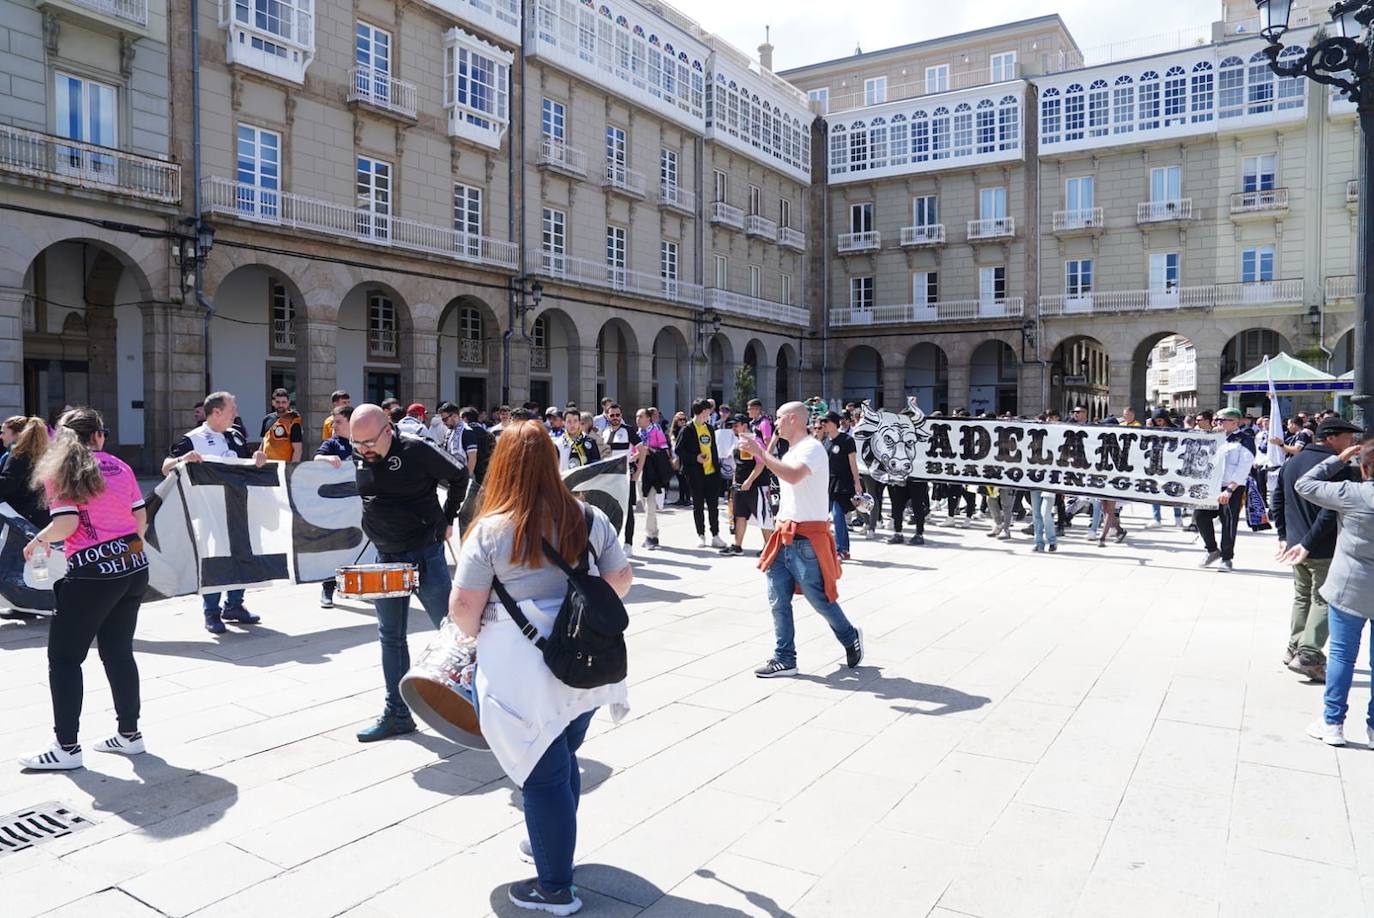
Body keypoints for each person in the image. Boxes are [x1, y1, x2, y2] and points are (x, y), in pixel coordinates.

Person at [449, 420, 633, 914]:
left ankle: (555, 888)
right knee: (560, 757)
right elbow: (620, 578)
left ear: (501, 466)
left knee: (543, 773)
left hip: (522, 671)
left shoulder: (489, 530)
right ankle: (550, 842)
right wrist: (572, 610)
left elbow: (464, 612)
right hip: (586, 660)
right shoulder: (589, 516)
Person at [17, 408, 149, 770]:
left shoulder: (62, 470)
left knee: (64, 658)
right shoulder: (120, 467)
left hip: (92, 573)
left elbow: (66, 522)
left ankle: (66, 747)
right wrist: (120, 546)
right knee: (118, 651)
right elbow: (140, 518)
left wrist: (39, 540)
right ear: (99, 436)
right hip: (134, 566)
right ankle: (129, 735)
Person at [347, 404, 469, 742]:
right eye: (357, 444)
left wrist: (447, 518)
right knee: (391, 637)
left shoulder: (417, 450)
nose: (363, 450)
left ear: (388, 429)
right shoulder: (362, 453)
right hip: (386, 557)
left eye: (369, 442)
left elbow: (460, 475)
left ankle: (481, 707)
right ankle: (398, 714)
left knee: (455, 634)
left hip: (424, 554)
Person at [739, 402, 864, 679]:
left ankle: (849, 635)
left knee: (818, 598)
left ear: (793, 419)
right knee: (777, 599)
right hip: (783, 534)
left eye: (780, 418)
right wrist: (760, 454)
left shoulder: (812, 448)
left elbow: (794, 476)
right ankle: (785, 658)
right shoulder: (793, 449)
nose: (776, 423)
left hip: (806, 537)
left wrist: (761, 452)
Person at [163, 391, 268, 634]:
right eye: (232, 408)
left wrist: (257, 459)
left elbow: (244, 467)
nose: (236, 412)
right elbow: (165, 467)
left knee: (242, 556)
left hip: (240, 509)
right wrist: (183, 459)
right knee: (215, 561)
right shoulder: (193, 438)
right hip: (210, 513)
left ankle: (235, 605)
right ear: (217, 412)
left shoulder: (236, 436)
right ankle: (211, 612)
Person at [1296, 437, 1374, 748]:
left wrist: (1339, 459)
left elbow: (1305, 484)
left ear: (1364, 468)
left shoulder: (1352, 493)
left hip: (1349, 586)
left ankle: (1333, 722)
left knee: (1342, 655)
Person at [1274, 416, 1363, 681]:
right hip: (1322, 545)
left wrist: (1284, 536)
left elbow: (1277, 498)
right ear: (1331, 437)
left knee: (1303, 597)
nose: (1351, 444)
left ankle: (1295, 646)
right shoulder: (1339, 468)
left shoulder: (1293, 461)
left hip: (1295, 544)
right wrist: (1307, 543)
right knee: (1324, 599)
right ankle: (1309, 655)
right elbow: (1329, 513)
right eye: (1348, 438)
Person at [1197, 407, 1256, 573]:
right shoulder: (1214, 437)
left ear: (1234, 422)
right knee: (1200, 516)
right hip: (1212, 486)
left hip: (1232, 487)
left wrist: (1230, 489)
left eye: (1221, 420)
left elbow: (1244, 466)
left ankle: (1227, 558)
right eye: (1216, 420)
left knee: (1228, 521)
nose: (1217, 423)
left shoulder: (1244, 439)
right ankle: (1212, 549)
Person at [314, 405, 356, 609]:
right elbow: (316, 458)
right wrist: (327, 458)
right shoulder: (332, 443)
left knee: (359, 548)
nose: (334, 425)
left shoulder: (363, 441)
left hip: (360, 506)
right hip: (336, 506)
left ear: (350, 421)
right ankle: (328, 589)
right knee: (334, 548)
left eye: (338, 422)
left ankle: (357, 586)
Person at [675, 399, 726, 549]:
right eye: (708, 411)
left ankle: (715, 535)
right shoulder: (688, 429)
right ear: (702, 411)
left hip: (712, 473)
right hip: (695, 474)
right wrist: (695, 457)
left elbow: (713, 448)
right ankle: (701, 535)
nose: (710, 413)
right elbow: (679, 450)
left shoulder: (709, 428)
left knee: (713, 506)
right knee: (698, 506)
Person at [721, 414, 772, 556]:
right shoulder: (737, 442)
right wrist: (734, 482)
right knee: (739, 516)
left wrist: (749, 481)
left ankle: (769, 548)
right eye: (732, 426)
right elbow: (737, 465)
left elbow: (761, 463)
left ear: (745, 425)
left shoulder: (755, 440)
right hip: (739, 486)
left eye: (736, 425)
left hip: (757, 486)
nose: (734, 428)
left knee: (763, 517)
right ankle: (737, 546)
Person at [821, 411, 862, 560]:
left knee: (838, 515)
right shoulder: (825, 441)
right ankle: (831, 548)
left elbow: (853, 463)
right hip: (828, 483)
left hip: (843, 483)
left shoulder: (847, 440)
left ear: (834, 423)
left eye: (826, 422)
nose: (823, 425)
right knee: (824, 518)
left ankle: (842, 549)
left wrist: (857, 483)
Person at [0, 417, 52, 530]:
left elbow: (8, 483)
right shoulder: (43, 453)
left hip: (22, 519)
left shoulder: (19, 454)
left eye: (4, 432)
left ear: (18, 434)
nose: (1, 436)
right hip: (41, 515)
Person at [634, 408, 670, 551]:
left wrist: (649, 451)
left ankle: (649, 536)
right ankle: (653, 535)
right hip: (640, 470)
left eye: (641, 416)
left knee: (650, 504)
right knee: (645, 504)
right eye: (637, 416)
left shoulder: (656, 431)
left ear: (648, 418)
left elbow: (664, 450)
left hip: (652, 471)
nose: (638, 419)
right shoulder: (637, 434)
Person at [259, 388, 303, 463]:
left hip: (284, 466)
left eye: (284, 402)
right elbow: (263, 443)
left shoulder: (293, 421)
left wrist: (291, 469)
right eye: (278, 402)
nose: (281, 405)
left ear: (288, 403)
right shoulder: (267, 419)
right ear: (273, 402)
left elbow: (298, 450)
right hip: (267, 466)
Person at [669, 411, 691, 505]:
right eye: (680, 420)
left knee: (686, 479)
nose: (682, 421)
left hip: (685, 457)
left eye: (684, 419)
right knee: (680, 479)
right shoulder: (674, 432)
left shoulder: (688, 430)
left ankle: (687, 498)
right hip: (676, 458)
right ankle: (681, 498)